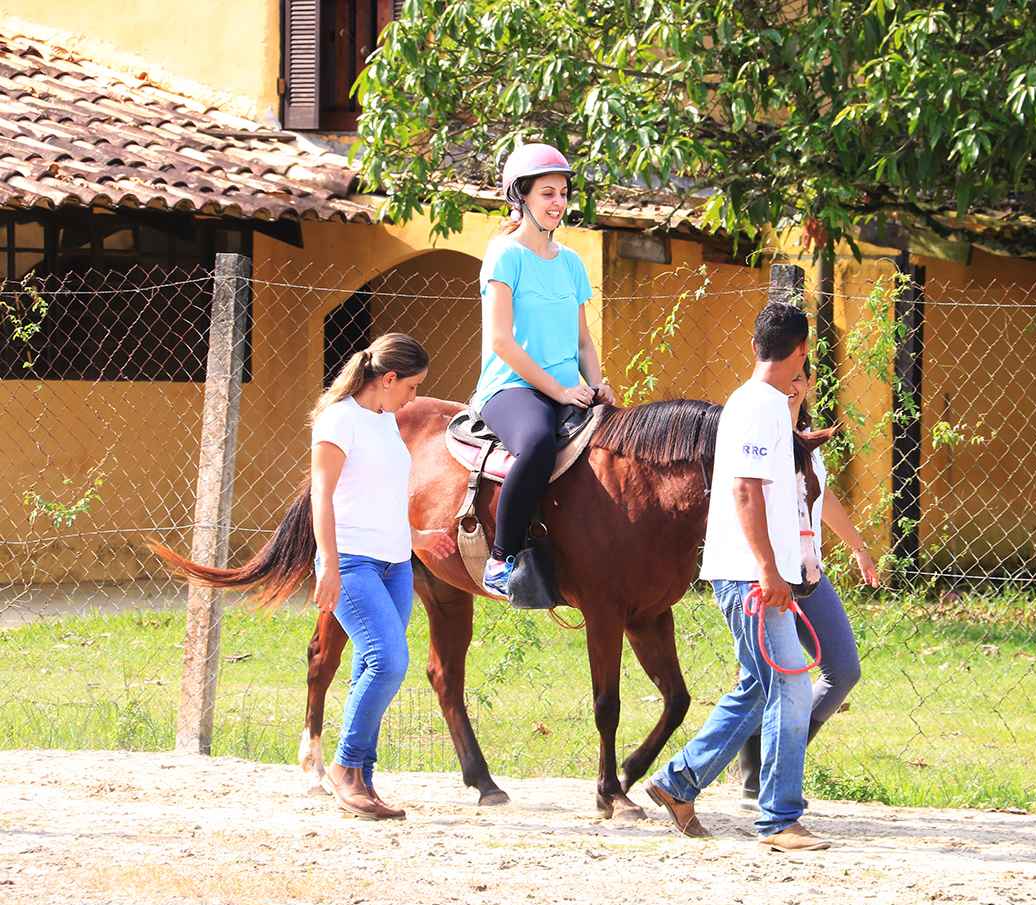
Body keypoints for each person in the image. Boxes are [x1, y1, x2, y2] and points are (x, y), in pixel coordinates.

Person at [645, 302, 832, 852]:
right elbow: (746, 491)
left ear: (757, 346)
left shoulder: (764, 403)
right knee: (792, 686)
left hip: (750, 572)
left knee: (759, 687)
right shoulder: (759, 407)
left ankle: (678, 783)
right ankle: (779, 820)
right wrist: (771, 572)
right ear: (800, 351)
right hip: (751, 576)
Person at [311, 332, 456, 820]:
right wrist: (328, 562)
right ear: (388, 378)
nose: (414, 398)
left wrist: (414, 540)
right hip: (352, 561)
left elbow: (382, 494)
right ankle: (345, 768)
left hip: (395, 563)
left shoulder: (384, 422)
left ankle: (363, 782)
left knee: (365, 669)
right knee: (388, 660)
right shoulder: (339, 420)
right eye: (411, 387)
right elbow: (322, 495)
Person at [471, 142, 616, 600]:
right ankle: (502, 557)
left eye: (563, 194)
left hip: (569, 387)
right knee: (535, 445)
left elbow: (582, 341)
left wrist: (597, 384)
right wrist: (558, 389)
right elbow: (500, 342)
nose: (558, 203)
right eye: (547, 193)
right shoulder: (504, 255)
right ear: (521, 197)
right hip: (512, 388)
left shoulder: (572, 263)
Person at [735, 358, 880, 808]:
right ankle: (749, 777)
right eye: (789, 378)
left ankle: (778, 759)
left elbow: (823, 495)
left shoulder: (809, 440)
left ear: (811, 383)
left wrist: (857, 545)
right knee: (761, 679)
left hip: (808, 573)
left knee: (843, 671)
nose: (794, 387)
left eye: (802, 379)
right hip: (767, 575)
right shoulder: (761, 430)